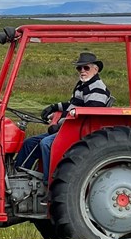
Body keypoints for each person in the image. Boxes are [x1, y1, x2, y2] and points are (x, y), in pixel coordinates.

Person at [14, 52, 111, 187]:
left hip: (80, 132)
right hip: (68, 128)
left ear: (96, 69)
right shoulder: (83, 85)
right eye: (79, 68)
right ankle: (17, 177)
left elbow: (88, 116)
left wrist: (59, 127)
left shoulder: (97, 89)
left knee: (46, 143)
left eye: (86, 68)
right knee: (30, 143)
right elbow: (72, 104)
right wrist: (53, 107)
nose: (82, 71)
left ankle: (49, 184)